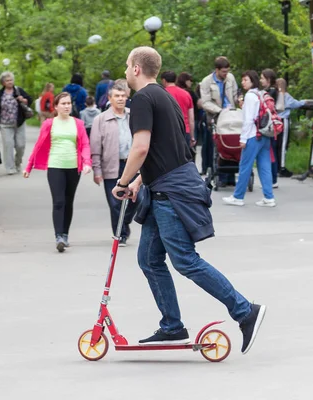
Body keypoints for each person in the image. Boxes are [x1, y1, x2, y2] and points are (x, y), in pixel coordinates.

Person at [114, 47, 265, 354]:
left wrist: (122, 181)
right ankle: (172, 326)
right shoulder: (167, 96)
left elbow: (141, 148)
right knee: (149, 259)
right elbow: (168, 150)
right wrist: (141, 180)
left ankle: (244, 311)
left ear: (137, 69)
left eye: (129, 65)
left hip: (171, 193)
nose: (127, 69)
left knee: (184, 260)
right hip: (165, 188)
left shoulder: (142, 99)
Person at [23, 92, 92, 252]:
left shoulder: (78, 124)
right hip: (55, 165)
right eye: (63, 104)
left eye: (68, 103)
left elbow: (85, 145)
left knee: (69, 201)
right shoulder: (49, 123)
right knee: (59, 201)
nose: (67, 106)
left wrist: (87, 163)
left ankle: (65, 234)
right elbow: (39, 146)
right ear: (56, 107)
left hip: (74, 167)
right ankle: (59, 236)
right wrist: (28, 167)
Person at [90, 81, 137, 246]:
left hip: (132, 165)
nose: (120, 99)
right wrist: (97, 170)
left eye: (123, 96)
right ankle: (121, 234)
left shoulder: (134, 115)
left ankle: (126, 220)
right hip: (111, 165)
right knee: (115, 203)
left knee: (135, 199)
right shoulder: (101, 119)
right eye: (117, 96)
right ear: (110, 98)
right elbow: (95, 147)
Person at [223, 71, 276, 207]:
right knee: (264, 166)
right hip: (264, 135)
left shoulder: (250, 96)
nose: (243, 82)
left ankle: (238, 196)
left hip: (253, 135)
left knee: (245, 166)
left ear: (252, 81)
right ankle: (269, 197)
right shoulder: (260, 94)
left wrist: (243, 138)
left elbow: (248, 120)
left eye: (245, 80)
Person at [200, 57, 238, 187]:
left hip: (231, 117)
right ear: (216, 70)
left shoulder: (230, 78)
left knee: (232, 142)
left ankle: (231, 176)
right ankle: (221, 175)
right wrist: (220, 110)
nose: (225, 74)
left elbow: (234, 95)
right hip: (216, 117)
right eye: (223, 72)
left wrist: (239, 103)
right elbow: (205, 102)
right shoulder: (206, 82)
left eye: (227, 71)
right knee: (219, 146)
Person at [0, 72, 33, 175]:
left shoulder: (18, 91)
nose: (10, 82)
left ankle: (18, 163)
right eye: (7, 80)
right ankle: (10, 167)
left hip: (19, 123)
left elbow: (29, 99)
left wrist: (23, 99)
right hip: (5, 124)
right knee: (8, 145)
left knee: (20, 145)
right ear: (3, 83)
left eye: (11, 80)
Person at [276, 78, 306, 178]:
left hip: (275, 121)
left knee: (276, 144)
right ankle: (282, 167)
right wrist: (304, 101)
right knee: (283, 144)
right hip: (283, 120)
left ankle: (276, 166)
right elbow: (295, 104)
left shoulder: (274, 95)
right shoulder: (285, 96)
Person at [161, 71, 195, 149]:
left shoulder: (161, 94)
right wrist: (192, 136)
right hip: (184, 130)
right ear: (175, 80)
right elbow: (191, 118)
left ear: (163, 80)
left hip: (167, 132)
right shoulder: (186, 94)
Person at [260, 69, 281, 188]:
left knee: (270, 151)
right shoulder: (271, 91)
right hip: (272, 125)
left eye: (262, 78)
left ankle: (273, 178)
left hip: (270, 125)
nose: (261, 80)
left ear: (268, 79)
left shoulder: (270, 92)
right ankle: (272, 178)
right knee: (270, 151)